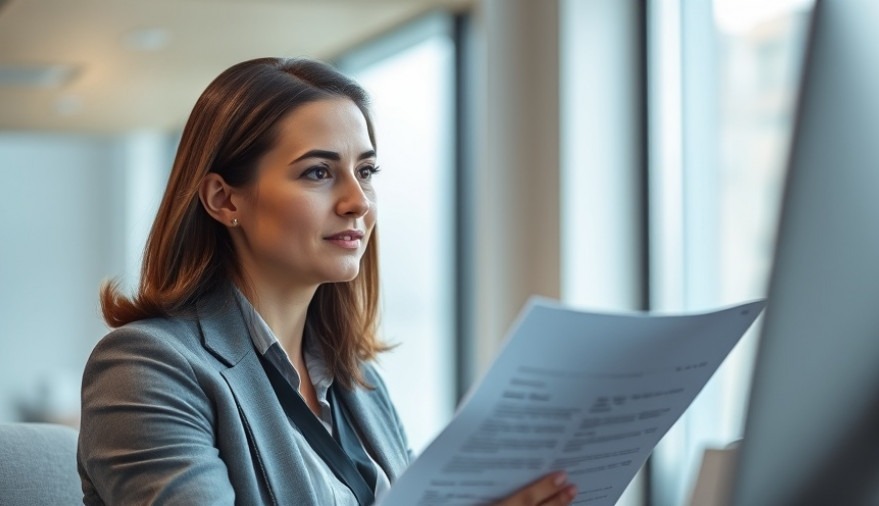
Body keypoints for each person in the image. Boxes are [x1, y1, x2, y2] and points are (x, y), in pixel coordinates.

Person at [77, 57, 578, 505]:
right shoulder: (145, 368)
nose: (357, 201)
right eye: (318, 173)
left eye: (366, 170)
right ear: (224, 200)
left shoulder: (357, 381)